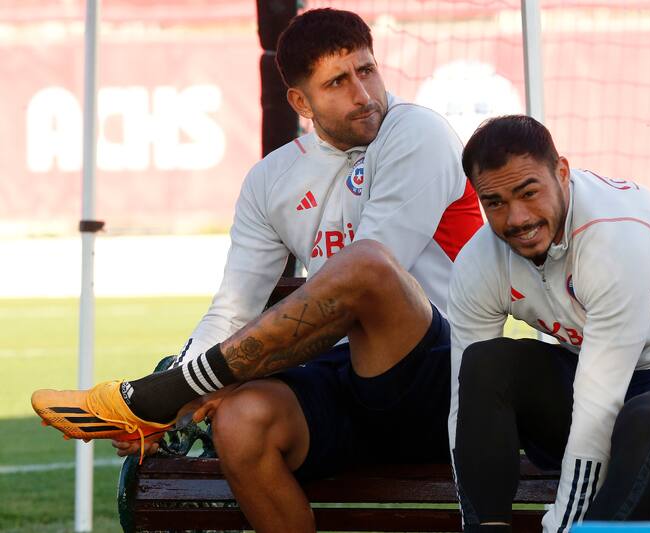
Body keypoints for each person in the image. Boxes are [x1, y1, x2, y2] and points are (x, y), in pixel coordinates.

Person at [32, 8, 483, 532]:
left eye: (367, 70)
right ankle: (165, 398)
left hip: (441, 378)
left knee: (366, 267)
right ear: (300, 101)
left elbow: (360, 290)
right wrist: (196, 399)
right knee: (242, 422)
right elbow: (232, 310)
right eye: (337, 82)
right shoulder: (271, 180)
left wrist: (185, 389)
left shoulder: (416, 130)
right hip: (340, 380)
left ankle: (161, 394)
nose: (363, 94)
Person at [447, 115, 650, 532]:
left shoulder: (615, 240)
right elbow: (463, 409)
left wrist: (561, 526)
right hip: (600, 378)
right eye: (495, 202)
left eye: (528, 192)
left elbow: (598, 407)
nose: (516, 218)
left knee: (640, 423)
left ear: (562, 173)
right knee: (485, 364)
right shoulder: (480, 262)